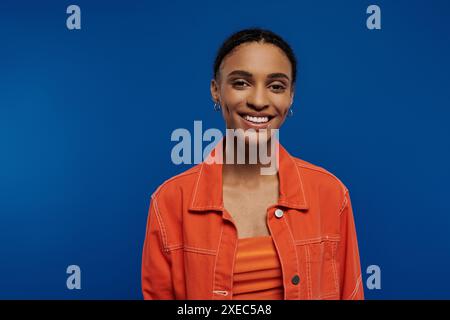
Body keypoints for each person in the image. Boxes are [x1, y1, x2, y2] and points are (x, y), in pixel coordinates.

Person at [141, 28, 364, 300]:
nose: (259, 101)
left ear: (291, 96)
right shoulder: (170, 201)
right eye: (241, 83)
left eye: (276, 86)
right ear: (215, 90)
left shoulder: (330, 193)